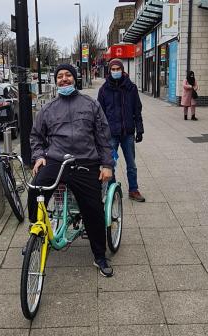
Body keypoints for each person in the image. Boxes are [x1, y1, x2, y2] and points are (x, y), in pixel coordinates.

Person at [29, 64, 115, 277]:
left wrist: (107, 165)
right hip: (57, 161)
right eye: (60, 76)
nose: (64, 79)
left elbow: (103, 138)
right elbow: (36, 137)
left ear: (75, 79)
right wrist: (39, 157)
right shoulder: (47, 109)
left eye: (68, 75)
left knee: (93, 210)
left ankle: (99, 255)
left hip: (85, 161)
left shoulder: (91, 105)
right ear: (56, 81)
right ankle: (36, 235)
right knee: (35, 190)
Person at [97, 58, 145, 202]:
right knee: (110, 163)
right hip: (111, 134)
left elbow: (137, 109)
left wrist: (140, 129)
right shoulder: (104, 90)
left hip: (128, 133)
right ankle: (113, 189)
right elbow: (99, 114)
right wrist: (100, 134)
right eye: (113, 69)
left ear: (122, 70)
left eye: (118, 69)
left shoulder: (131, 88)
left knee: (131, 164)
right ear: (109, 71)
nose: (116, 72)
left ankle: (133, 189)